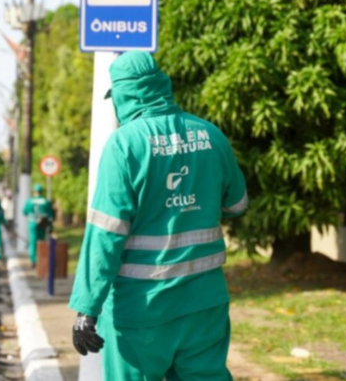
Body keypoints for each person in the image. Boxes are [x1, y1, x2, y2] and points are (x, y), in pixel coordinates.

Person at [69, 51, 248, 381]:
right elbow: (237, 204)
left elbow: (105, 235)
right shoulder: (210, 134)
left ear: (126, 94)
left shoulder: (124, 145)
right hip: (204, 303)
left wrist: (87, 309)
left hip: (142, 309)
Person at [23, 184, 55, 267]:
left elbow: (24, 211)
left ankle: (33, 260)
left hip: (32, 223)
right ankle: (40, 259)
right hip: (42, 224)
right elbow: (50, 215)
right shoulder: (46, 201)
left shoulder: (30, 201)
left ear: (34, 191)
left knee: (33, 242)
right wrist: (51, 227)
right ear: (41, 191)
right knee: (41, 241)